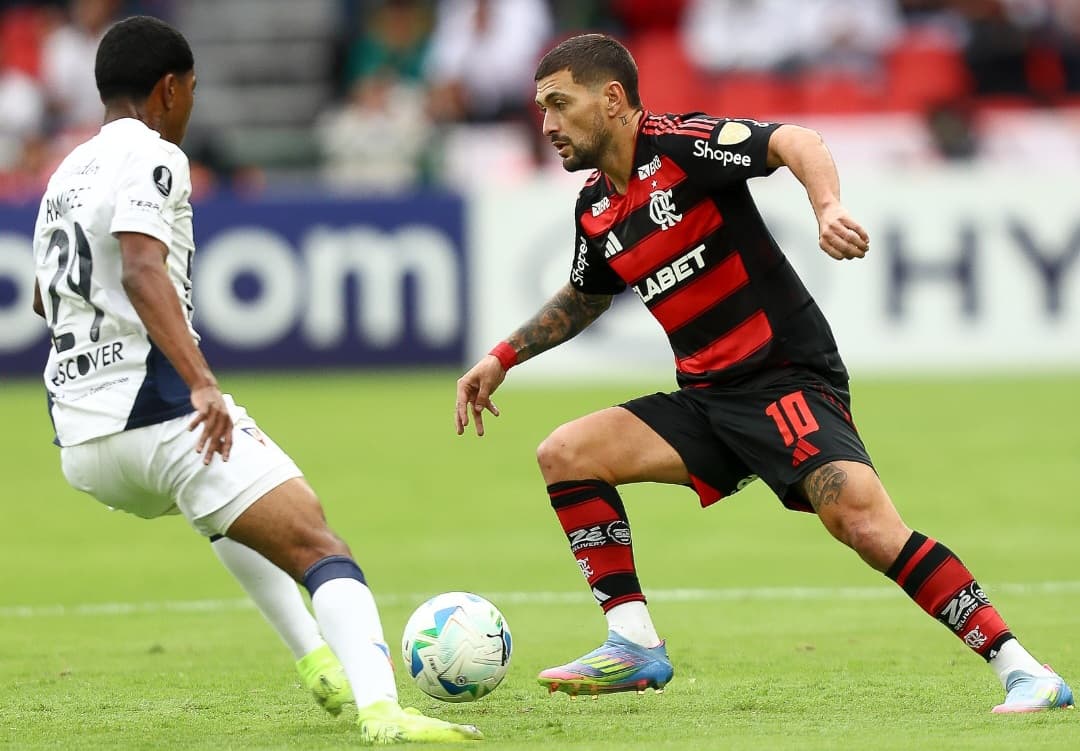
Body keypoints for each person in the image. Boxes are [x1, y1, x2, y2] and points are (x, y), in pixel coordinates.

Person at [455, 33, 1073, 714]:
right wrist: (500, 357)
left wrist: (828, 207)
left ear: (612, 100)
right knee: (567, 453)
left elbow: (796, 141)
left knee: (864, 524)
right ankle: (632, 642)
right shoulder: (596, 208)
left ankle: (1024, 669)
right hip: (708, 400)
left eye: (558, 104)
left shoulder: (683, 147)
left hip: (783, 380)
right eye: (541, 109)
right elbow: (586, 294)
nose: (546, 124)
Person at [31, 16, 481, 744]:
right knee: (321, 546)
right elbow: (142, 265)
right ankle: (382, 712)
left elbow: (41, 297)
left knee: (226, 506)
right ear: (168, 89)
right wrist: (201, 383)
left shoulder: (63, 173)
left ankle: (316, 661)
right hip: (158, 416)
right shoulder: (153, 154)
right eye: (193, 91)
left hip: (81, 442)